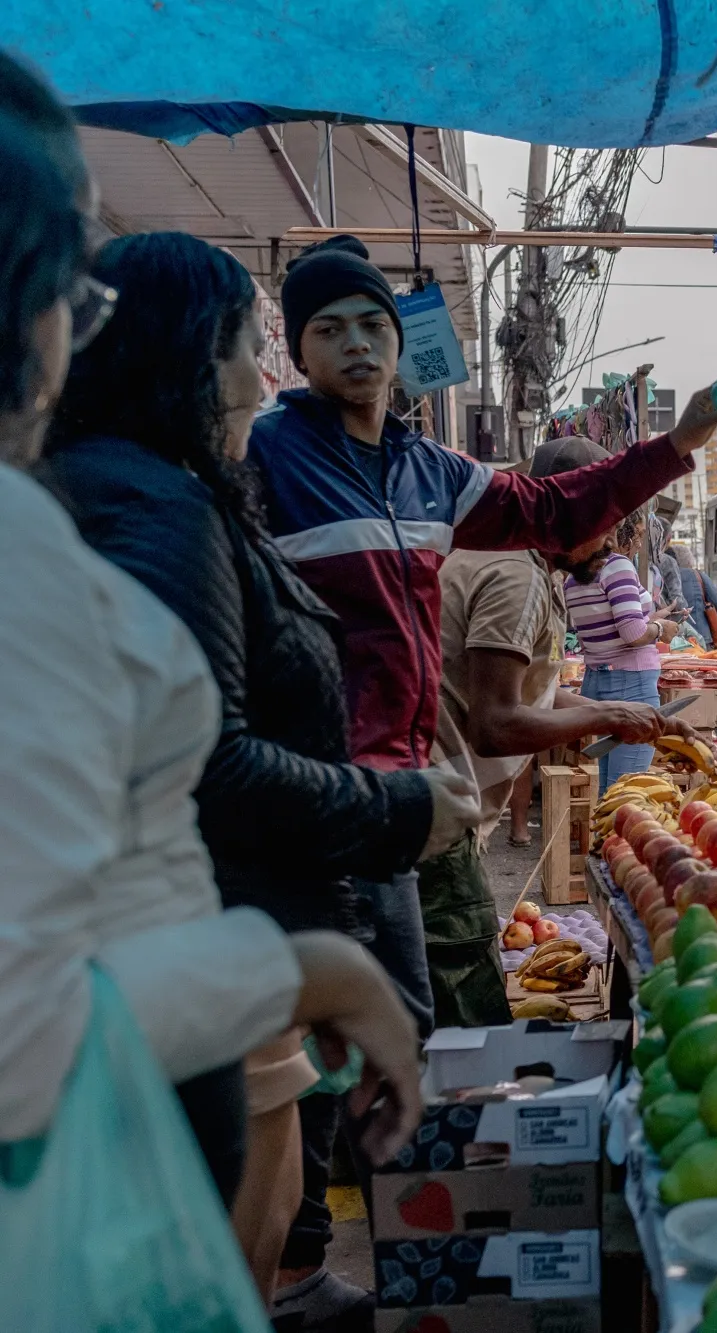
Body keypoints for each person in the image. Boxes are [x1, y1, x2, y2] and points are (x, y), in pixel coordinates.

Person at [0, 50, 422, 1318]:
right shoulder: (101, 530)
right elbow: (24, 1036)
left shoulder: (74, 508)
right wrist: (300, 971)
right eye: (63, 276)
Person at [249, 232, 717, 1321]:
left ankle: (376, 1263)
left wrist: (682, 439)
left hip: (412, 799)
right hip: (317, 797)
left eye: (372, 324)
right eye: (330, 329)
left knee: (397, 1032)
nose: (357, 345)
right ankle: (302, 1267)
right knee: (323, 1036)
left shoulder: (432, 471)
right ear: (300, 347)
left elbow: (556, 510)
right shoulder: (265, 458)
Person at [38, 229, 481, 1303]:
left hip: (205, 960)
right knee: (210, 1267)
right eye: (253, 347)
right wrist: (394, 810)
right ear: (187, 355)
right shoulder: (156, 510)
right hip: (198, 965)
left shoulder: (127, 490)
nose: (260, 380)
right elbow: (203, 764)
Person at [427, 438, 688, 1028]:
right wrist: (608, 716)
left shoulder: (518, 560)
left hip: (438, 803)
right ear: (569, 509)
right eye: (603, 518)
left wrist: (616, 714)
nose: (609, 537)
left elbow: (530, 695)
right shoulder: (516, 576)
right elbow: (496, 724)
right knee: (469, 1010)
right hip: (436, 814)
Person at [561, 510, 679, 793]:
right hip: (630, 684)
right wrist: (662, 629)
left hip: (597, 681)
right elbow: (633, 633)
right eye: (637, 533)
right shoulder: (617, 567)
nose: (639, 542)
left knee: (606, 789)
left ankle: (602, 838)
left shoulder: (574, 577)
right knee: (627, 790)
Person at [671, 541, 717, 650]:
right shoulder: (697, 575)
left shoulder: (664, 575)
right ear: (689, 561)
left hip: (673, 637)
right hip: (700, 636)